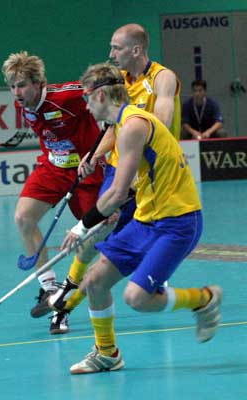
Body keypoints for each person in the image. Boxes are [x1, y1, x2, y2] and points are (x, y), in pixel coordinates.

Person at [60, 62, 222, 374]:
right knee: (94, 281)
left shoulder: (133, 125)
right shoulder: (123, 125)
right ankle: (107, 354)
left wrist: (81, 226)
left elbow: (117, 192)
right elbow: (132, 185)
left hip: (178, 221)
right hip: (147, 218)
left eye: (86, 97)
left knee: (137, 298)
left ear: (102, 95)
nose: (86, 105)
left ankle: (204, 299)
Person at [1, 51, 112, 334]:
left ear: (39, 82)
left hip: (87, 171)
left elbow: (106, 87)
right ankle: (49, 289)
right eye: (12, 86)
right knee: (24, 218)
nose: (17, 92)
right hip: (54, 167)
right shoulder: (24, 104)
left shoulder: (67, 96)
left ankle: (69, 297)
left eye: (22, 85)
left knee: (95, 241)